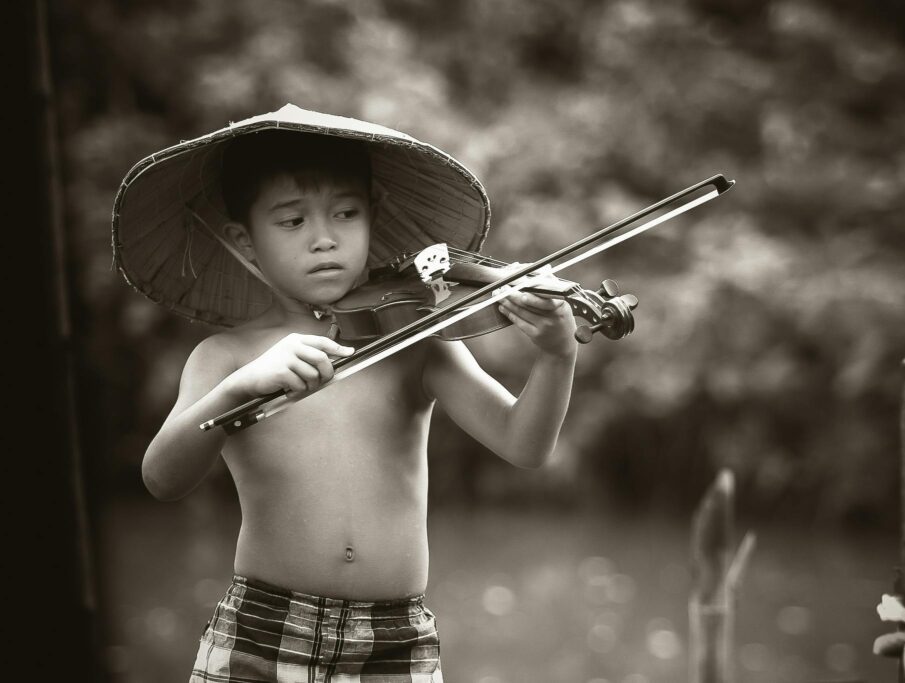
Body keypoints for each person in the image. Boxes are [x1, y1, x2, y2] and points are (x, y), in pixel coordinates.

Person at [112, 105, 579, 682]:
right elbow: (162, 477)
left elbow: (523, 444)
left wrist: (557, 355)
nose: (324, 239)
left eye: (346, 214)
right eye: (292, 222)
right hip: (263, 628)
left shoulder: (414, 338)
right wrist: (241, 388)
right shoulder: (225, 358)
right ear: (244, 239)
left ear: (373, 218)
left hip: (394, 641)